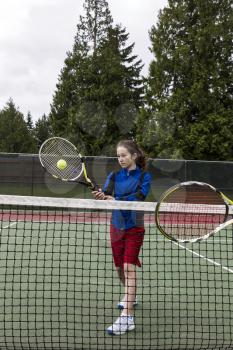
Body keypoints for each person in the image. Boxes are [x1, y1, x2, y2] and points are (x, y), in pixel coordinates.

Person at [92, 139, 151, 336]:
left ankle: (127, 318)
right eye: (118, 156)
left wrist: (116, 199)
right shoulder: (114, 175)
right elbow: (107, 193)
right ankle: (130, 296)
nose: (120, 159)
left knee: (129, 268)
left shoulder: (144, 176)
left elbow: (139, 198)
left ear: (134, 156)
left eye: (124, 155)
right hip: (116, 226)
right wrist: (102, 195)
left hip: (135, 226)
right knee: (119, 268)